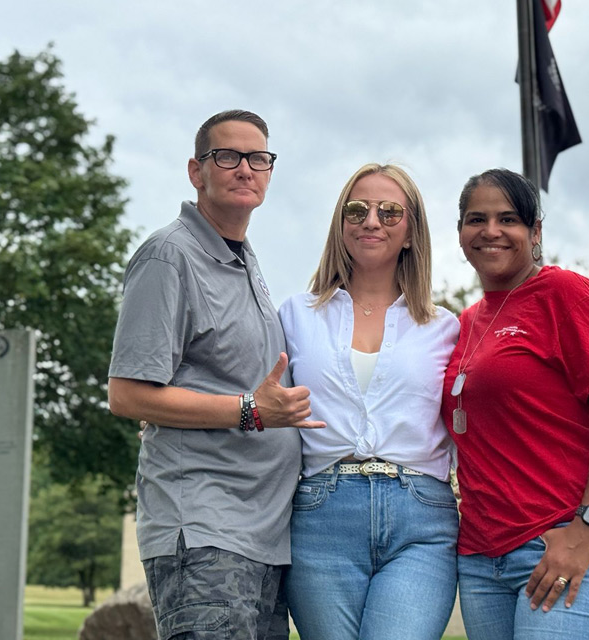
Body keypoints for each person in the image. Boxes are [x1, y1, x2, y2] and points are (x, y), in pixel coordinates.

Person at [107, 109, 324, 640]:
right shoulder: (169, 256)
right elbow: (127, 394)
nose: (244, 168)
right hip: (206, 530)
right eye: (226, 156)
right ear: (195, 170)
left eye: (258, 158)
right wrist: (249, 410)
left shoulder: (245, 261)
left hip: (263, 537)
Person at [441, 168, 589, 640]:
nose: (491, 231)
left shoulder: (565, 293)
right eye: (477, 219)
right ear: (460, 233)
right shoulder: (466, 322)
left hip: (560, 542)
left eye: (508, 219)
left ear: (534, 233)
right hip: (480, 562)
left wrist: (586, 530)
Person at [278, 163, 460, 640]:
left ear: (412, 231)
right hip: (320, 515)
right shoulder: (296, 314)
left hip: (420, 518)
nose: (372, 221)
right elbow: (259, 393)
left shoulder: (446, 328)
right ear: (341, 225)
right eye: (357, 209)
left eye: (390, 210)